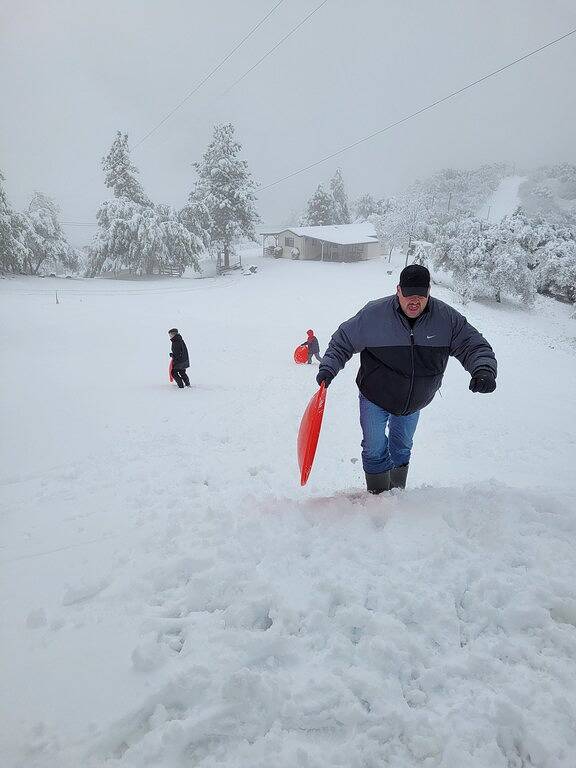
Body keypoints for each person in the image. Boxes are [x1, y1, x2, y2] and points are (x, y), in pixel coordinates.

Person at [316, 265, 497, 494]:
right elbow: (342, 341)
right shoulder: (374, 315)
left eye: (420, 295)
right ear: (398, 290)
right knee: (374, 448)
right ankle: (378, 499)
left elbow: (473, 345)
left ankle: (397, 496)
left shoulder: (446, 319)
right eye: (409, 294)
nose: (414, 301)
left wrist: (483, 369)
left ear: (429, 292)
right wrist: (329, 368)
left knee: (401, 448)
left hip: (414, 401)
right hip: (375, 395)